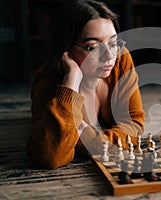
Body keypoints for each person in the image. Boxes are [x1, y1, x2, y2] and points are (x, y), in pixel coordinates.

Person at [27, 0, 145, 169]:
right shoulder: (48, 80)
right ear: (66, 48)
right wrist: (71, 80)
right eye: (92, 47)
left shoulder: (120, 59)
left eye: (113, 43)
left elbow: (135, 125)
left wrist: (90, 139)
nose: (108, 56)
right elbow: (52, 155)